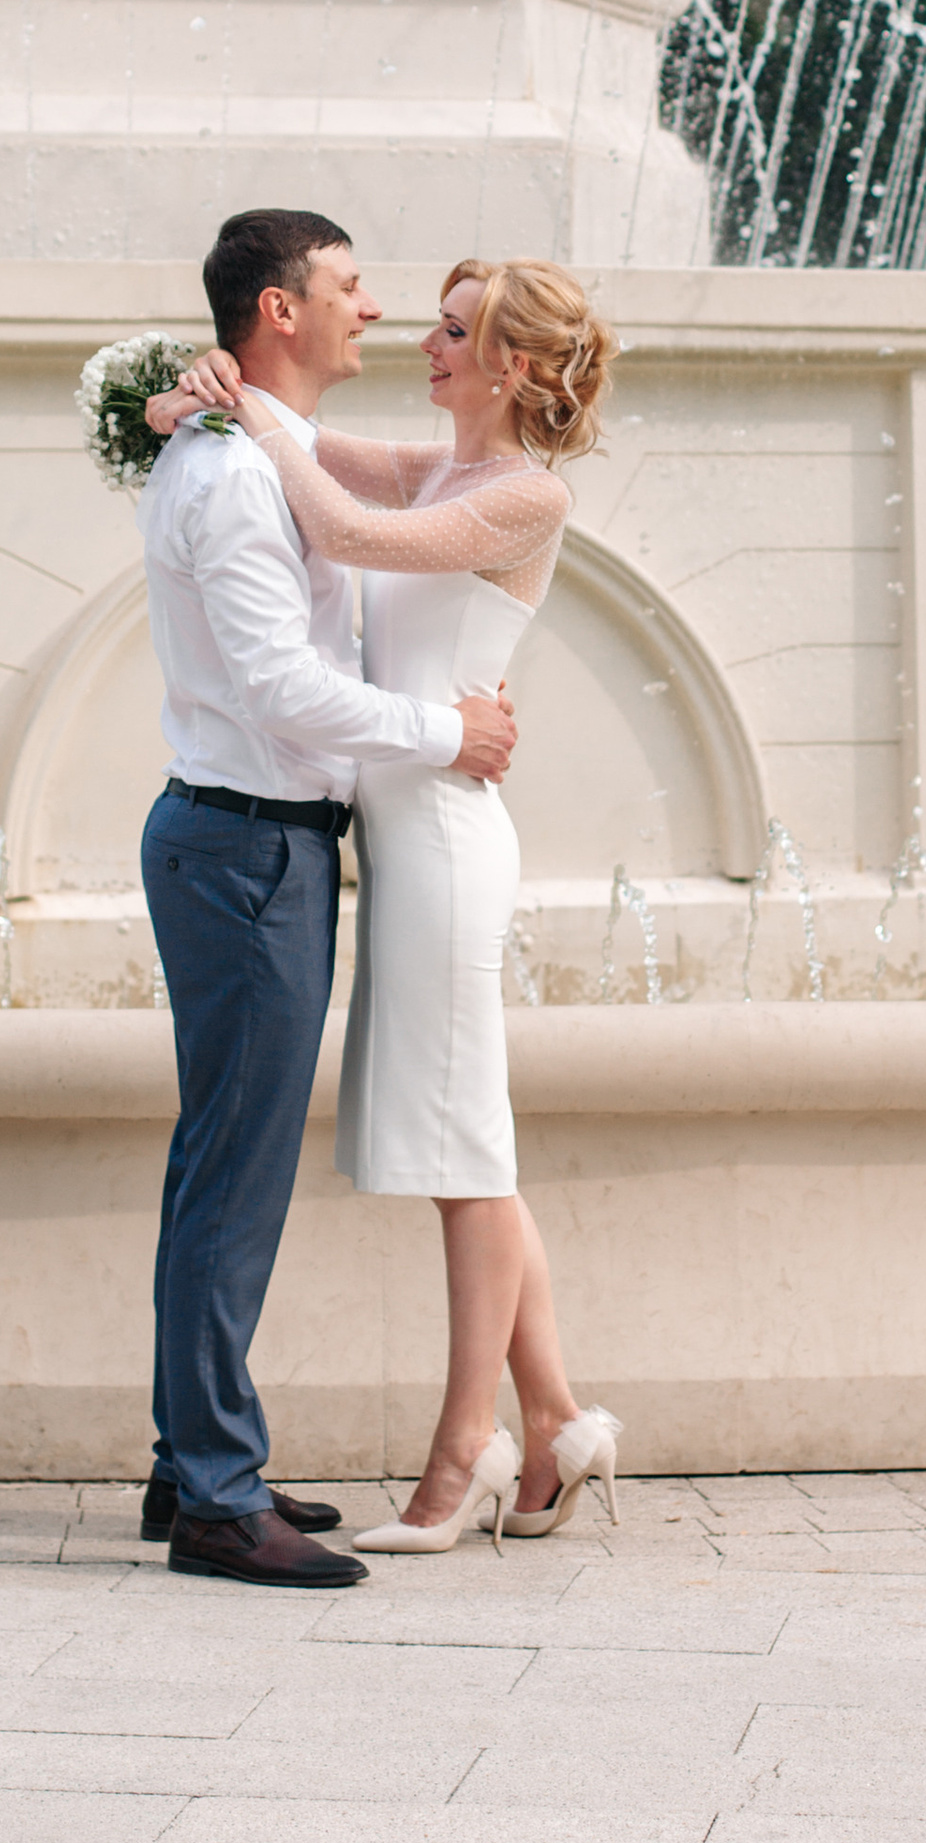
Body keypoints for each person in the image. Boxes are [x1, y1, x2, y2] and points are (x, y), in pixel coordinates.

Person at [155, 256, 623, 1554]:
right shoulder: (441, 468)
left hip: (452, 842)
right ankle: (557, 1424)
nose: (425, 339)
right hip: (404, 836)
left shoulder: (527, 494)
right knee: (467, 1143)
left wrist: (244, 413)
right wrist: (186, 397)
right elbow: (305, 442)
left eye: (457, 330)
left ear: (514, 365)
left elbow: (343, 531)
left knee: (467, 1155)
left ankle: (460, 1457)